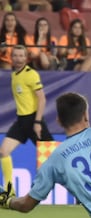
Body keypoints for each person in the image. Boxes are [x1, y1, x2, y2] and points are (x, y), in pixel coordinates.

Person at [0, 45, 54, 195]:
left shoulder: (31, 74)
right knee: (3, 151)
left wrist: (37, 122)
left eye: (21, 56)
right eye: (15, 55)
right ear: (11, 58)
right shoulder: (14, 75)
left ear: (26, 58)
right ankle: (9, 190)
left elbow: (42, 99)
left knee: (54, 160)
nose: (18, 59)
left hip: (34, 120)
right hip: (21, 121)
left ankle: (79, 192)